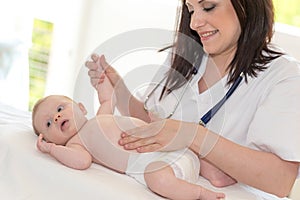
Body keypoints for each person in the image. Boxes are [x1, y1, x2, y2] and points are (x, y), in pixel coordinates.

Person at [85, 0, 300, 199]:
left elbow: (280, 180)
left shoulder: (284, 75)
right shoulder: (188, 54)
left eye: (208, 7)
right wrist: (118, 92)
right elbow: (155, 126)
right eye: (191, 10)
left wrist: (193, 136)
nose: (195, 22)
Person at [32, 73, 226, 200]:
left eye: (60, 108)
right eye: (48, 124)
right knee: (157, 179)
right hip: (156, 164)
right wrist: (53, 150)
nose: (56, 118)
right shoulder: (77, 144)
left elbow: (108, 99)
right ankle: (199, 193)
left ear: (81, 107)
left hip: (166, 145)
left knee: (173, 128)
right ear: (49, 139)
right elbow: (81, 161)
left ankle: (214, 169)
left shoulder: (101, 117)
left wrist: (102, 83)